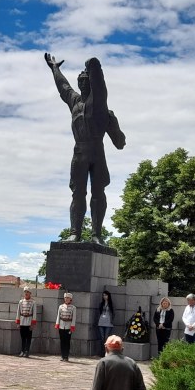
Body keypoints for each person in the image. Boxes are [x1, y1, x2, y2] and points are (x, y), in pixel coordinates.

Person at [45, 52, 126, 245]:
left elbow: (100, 85)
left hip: (97, 153)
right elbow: (63, 87)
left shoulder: (99, 104)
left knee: (98, 193)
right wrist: (55, 68)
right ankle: (75, 233)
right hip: (79, 153)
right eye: (79, 81)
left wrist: (91, 65)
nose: (82, 84)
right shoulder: (75, 102)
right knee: (77, 193)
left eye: (85, 80)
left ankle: (96, 235)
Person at [14, 286, 38, 357]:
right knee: (23, 337)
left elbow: (34, 314)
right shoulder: (21, 301)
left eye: (27, 292)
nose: (26, 293)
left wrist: (32, 324)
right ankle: (22, 350)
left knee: (28, 337)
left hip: (29, 321)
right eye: (25, 292)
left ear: (30, 293)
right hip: (22, 321)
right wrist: (18, 322)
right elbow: (18, 312)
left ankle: (27, 351)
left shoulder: (33, 302)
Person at [55, 292, 77, 362]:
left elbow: (74, 318)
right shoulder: (61, 306)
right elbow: (58, 316)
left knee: (67, 341)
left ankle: (66, 356)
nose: (66, 299)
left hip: (68, 326)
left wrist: (72, 326)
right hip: (61, 325)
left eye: (68, 298)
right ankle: (62, 355)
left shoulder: (73, 308)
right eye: (65, 298)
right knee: (62, 341)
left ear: (70, 299)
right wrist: (57, 324)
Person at [97, 290, 115, 357]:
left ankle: (107, 352)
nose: (104, 296)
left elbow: (113, 313)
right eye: (103, 295)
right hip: (101, 322)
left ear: (108, 296)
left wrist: (112, 320)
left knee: (106, 337)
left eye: (106, 295)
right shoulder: (101, 303)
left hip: (108, 322)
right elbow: (99, 312)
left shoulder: (111, 304)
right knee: (102, 338)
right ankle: (102, 352)